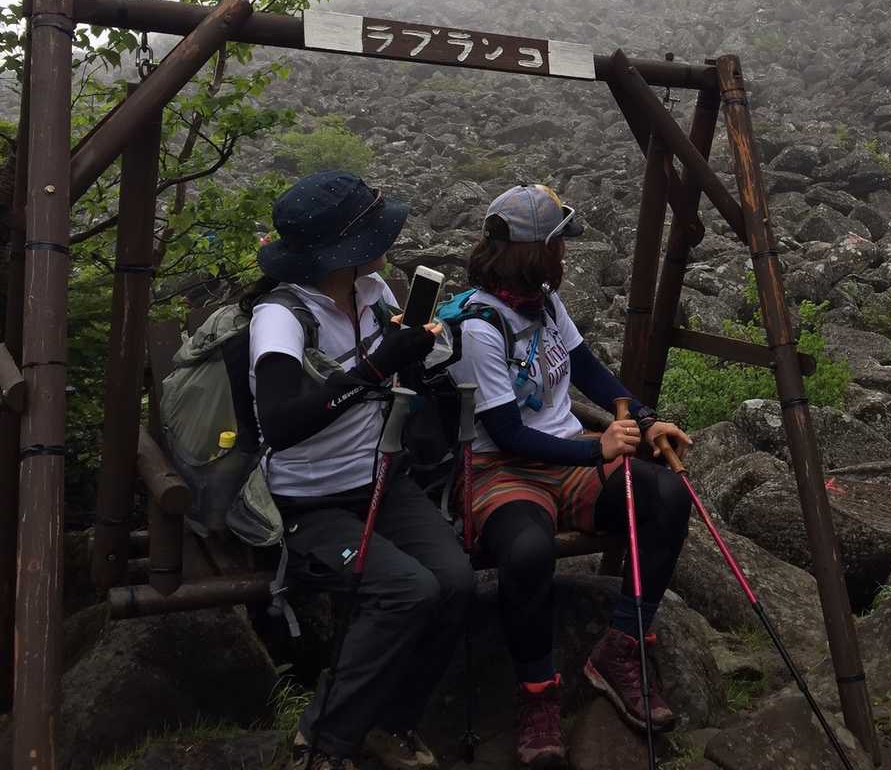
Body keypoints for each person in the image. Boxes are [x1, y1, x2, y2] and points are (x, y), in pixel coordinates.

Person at [446, 184, 693, 769]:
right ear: (536, 251)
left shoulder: (544, 302)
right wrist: (598, 451)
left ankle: (622, 648)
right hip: (502, 468)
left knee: (666, 494)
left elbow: (587, 368)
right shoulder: (479, 327)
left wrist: (646, 418)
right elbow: (507, 432)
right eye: (559, 244)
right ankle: (537, 694)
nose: (565, 253)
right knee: (528, 550)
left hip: (568, 455)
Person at [245, 170, 474, 770]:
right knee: (406, 590)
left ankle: (392, 721)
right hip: (310, 502)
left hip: (379, 483)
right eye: (375, 232)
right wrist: (376, 366)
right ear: (338, 250)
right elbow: (280, 424)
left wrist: (418, 352)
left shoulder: (373, 291)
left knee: (456, 581)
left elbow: (399, 371)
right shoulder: (282, 317)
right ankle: (323, 741)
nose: (388, 240)